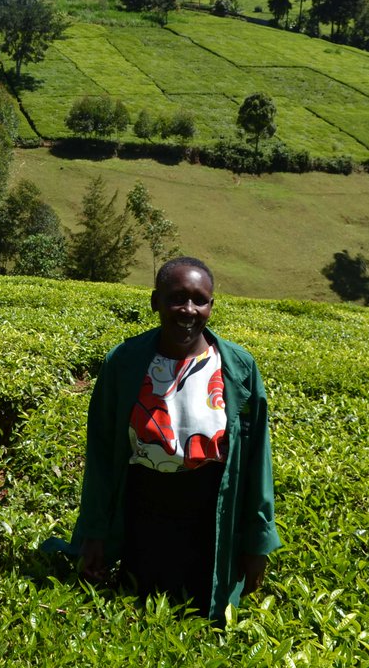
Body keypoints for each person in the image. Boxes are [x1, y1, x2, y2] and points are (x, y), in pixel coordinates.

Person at [67, 255, 280, 621]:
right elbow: (101, 455)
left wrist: (257, 545)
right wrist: (94, 533)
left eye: (200, 300)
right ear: (155, 302)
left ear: (212, 305)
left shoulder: (238, 368)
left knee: (204, 615)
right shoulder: (125, 362)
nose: (188, 309)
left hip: (211, 516)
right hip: (142, 514)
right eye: (176, 298)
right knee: (138, 609)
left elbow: (258, 460)